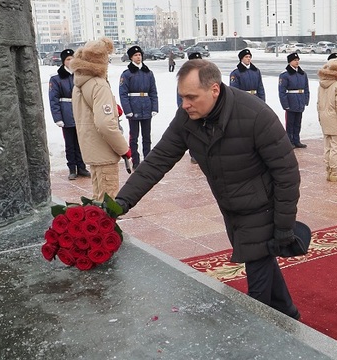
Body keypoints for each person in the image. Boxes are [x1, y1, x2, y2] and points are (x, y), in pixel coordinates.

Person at [114, 59, 302, 320]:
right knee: (263, 264)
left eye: (191, 97)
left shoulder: (256, 115)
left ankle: (256, 340)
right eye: (181, 97)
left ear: (214, 90)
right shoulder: (187, 118)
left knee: (257, 297)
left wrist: (284, 226)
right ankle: (289, 314)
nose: (185, 104)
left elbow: (287, 174)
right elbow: (158, 161)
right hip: (231, 208)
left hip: (263, 208)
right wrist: (120, 203)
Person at [70, 37, 131, 201]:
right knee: (108, 203)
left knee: (98, 199)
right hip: (104, 151)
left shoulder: (79, 84)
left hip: (92, 149)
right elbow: (105, 124)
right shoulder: (98, 85)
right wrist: (123, 148)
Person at [49, 49, 91, 180]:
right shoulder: (56, 79)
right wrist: (58, 117)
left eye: (72, 58)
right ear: (63, 62)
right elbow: (53, 100)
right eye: (68, 59)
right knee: (70, 143)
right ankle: (72, 168)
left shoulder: (79, 76)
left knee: (81, 142)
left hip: (80, 113)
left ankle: (82, 167)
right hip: (66, 112)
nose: (70, 61)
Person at [119, 45, 159, 170]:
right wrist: (128, 110)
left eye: (140, 55)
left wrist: (154, 107)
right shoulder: (127, 74)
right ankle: (135, 160)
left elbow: (153, 91)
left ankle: (148, 160)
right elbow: (123, 94)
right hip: (134, 106)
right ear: (131, 57)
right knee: (134, 136)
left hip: (146, 106)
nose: (138, 57)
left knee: (147, 136)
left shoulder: (148, 73)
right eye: (136, 55)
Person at [279, 52, 310, 149]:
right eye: (295, 60)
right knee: (290, 123)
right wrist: (285, 104)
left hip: (300, 100)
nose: (297, 62)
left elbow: (306, 88)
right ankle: (289, 141)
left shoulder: (302, 74)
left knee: (298, 122)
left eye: (297, 60)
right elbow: (282, 91)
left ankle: (297, 140)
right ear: (290, 62)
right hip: (291, 101)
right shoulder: (285, 75)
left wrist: (306, 99)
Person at [177, 52, 203, 164]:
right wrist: (184, 109)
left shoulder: (206, 77)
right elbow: (180, 96)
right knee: (193, 134)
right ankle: (194, 154)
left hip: (203, 111)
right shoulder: (184, 78)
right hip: (190, 111)